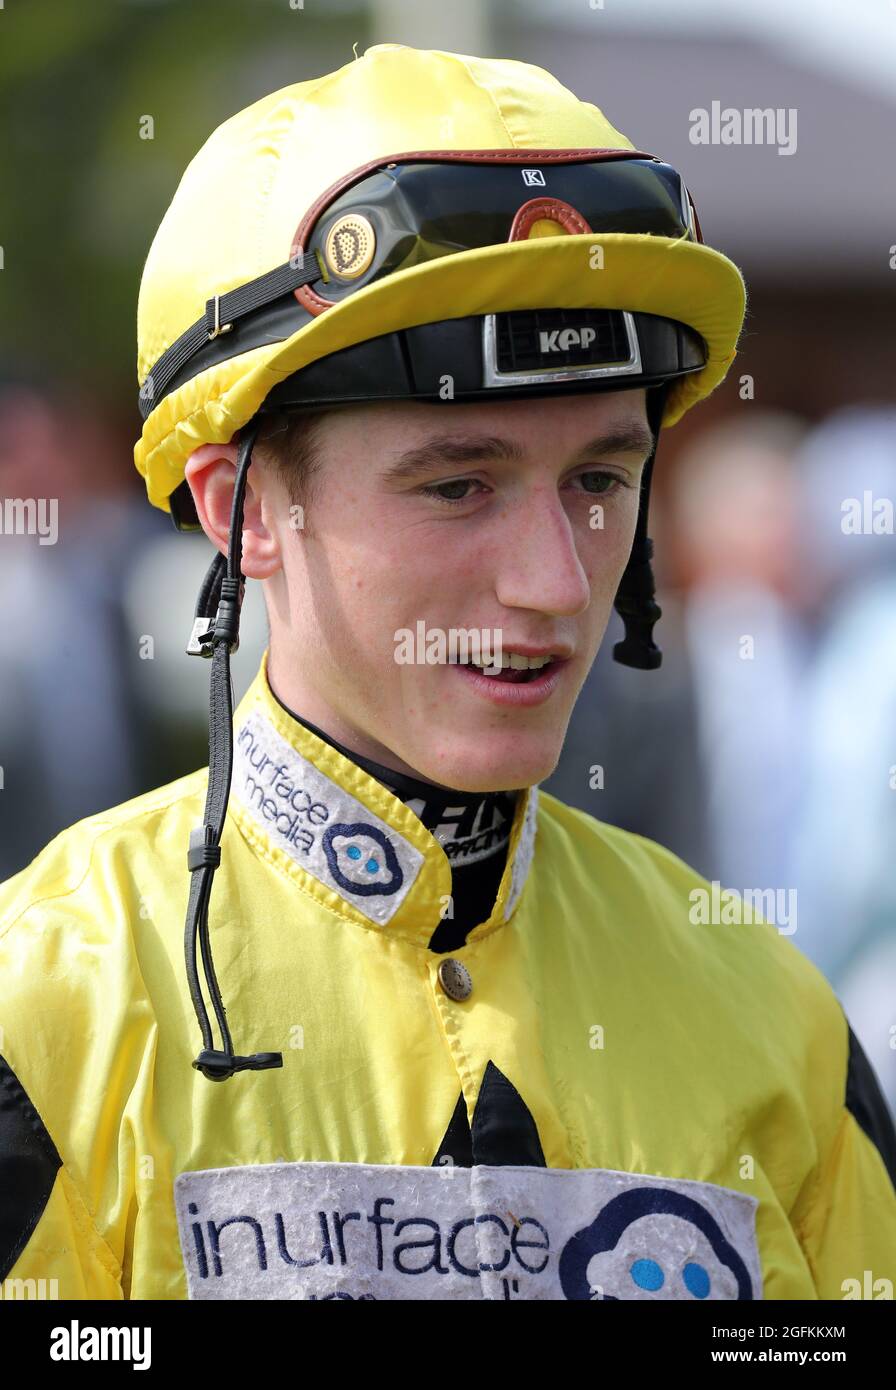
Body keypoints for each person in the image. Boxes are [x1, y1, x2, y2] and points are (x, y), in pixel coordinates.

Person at [1, 44, 893, 1303]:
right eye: (456, 484)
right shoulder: (41, 1012)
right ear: (241, 509)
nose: (554, 581)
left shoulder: (777, 1018)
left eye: (598, 478)